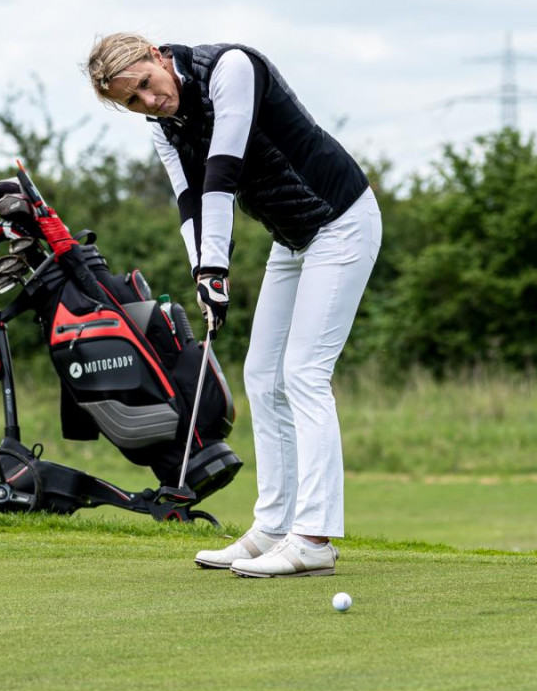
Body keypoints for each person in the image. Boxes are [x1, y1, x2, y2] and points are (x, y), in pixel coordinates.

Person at [83, 34, 381, 578]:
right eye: (133, 103)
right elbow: (190, 200)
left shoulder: (231, 68)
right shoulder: (163, 128)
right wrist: (203, 272)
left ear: (154, 55)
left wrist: (217, 268)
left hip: (341, 220)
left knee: (304, 373)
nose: (149, 103)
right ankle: (273, 527)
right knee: (262, 375)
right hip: (292, 237)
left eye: (146, 86)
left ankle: (313, 538)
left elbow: (222, 169)